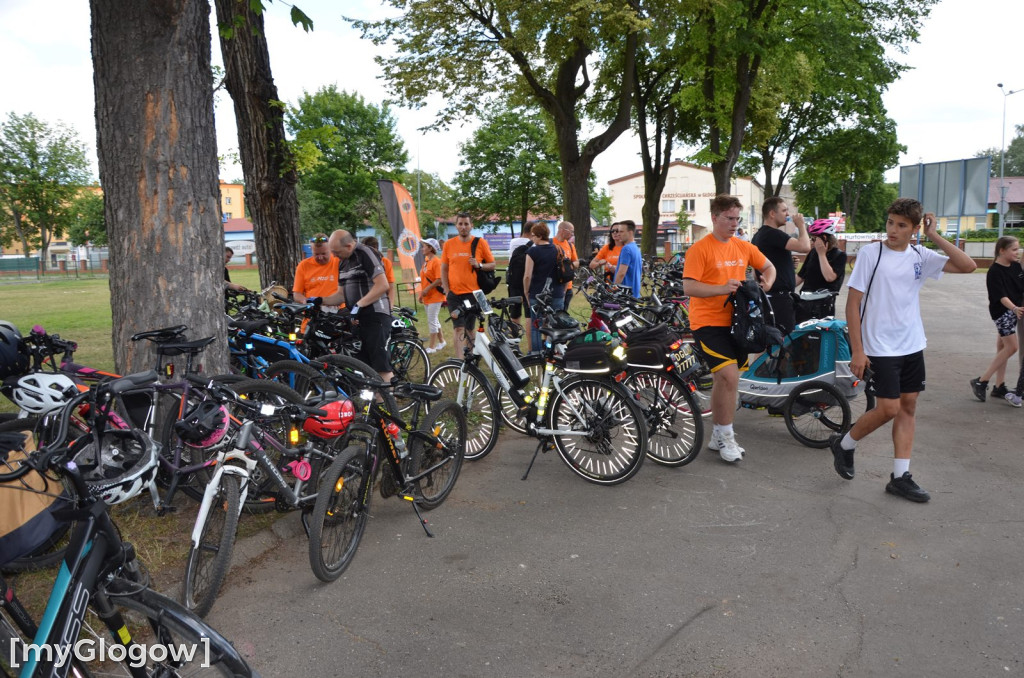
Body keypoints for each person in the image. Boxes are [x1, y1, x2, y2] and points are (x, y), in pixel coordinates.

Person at [829, 199, 977, 502]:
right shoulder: (872, 253)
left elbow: (968, 266)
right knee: (889, 409)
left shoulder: (920, 255)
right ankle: (844, 444)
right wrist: (858, 350)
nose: (892, 230)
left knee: (908, 407)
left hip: (912, 343)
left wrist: (933, 236)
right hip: (879, 347)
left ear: (914, 229)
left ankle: (900, 476)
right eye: (890, 222)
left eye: (901, 225)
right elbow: (853, 303)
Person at [682, 195, 776, 463]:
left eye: (737, 219)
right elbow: (689, 287)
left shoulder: (743, 246)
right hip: (707, 323)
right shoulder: (699, 249)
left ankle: (717, 434)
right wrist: (721, 289)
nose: (734, 224)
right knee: (730, 377)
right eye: (729, 218)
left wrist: (766, 282)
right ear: (714, 217)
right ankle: (727, 437)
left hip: (739, 323)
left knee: (726, 381)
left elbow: (768, 266)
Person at [316, 230, 394, 382]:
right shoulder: (342, 261)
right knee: (365, 367)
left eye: (337, 252)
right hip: (358, 319)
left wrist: (359, 305)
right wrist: (319, 300)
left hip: (376, 315)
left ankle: (388, 404)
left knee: (381, 367)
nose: (334, 256)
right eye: (332, 252)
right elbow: (340, 295)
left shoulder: (365, 253)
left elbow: (382, 285)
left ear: (349, 245)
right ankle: (373, 403)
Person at [969, 236, 1024, 406]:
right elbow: (1001, 296)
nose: (1018, 252)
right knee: (1012, 347)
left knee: (1002, 347)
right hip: (1003, 313)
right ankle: (981, 381)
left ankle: (999, 386)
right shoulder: (994, 271)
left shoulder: (1015, 267)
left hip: (1014, 312)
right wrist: (1014, 308)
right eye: (1014, 249)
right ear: (1002, 251)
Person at [440, 213, 496, 359]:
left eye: (466, 224)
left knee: (470, 329)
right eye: (460, 224)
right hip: (454, 294)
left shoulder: (480, 243)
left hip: (473, 294)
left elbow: (492, 264)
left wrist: (479, 265)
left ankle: (470, 358)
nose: (463, 227)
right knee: (458, 328)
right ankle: (460, 361)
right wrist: (447, 290)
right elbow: (444, 269)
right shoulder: (448, 244)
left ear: (471, 226)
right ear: (456, 225)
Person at [752, 197, 810, 336]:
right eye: (784, 210)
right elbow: (805, 246)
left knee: (769, 342)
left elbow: (760, 268)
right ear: (772, 213)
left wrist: (788, 265)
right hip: (779, 300)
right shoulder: (773, 234)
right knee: (782, 344)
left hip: (770, 298)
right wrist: (801, 226)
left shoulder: (759, 235)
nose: (788, 214)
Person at [522, 221, 564, 352]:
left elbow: (527, 275)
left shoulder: (532, 251)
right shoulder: (558, 249)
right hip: (557, 293)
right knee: (555, 325)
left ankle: (537, 354)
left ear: (539, 236)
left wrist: (526, 291)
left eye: (533, 235)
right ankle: (554, 353)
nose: (532, 238)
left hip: (537, 294)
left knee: (537, 326)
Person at [795, 219, 847, 322]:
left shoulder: (840, 256)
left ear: (824, 238)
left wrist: (822, 254)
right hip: (805, 303)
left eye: (814, 239)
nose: (812, 242)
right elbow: (801, 276)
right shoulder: (813, 253)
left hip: (822, 306)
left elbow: (830, 277)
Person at [292, 234, 340, 311]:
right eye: (316, 254)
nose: (320, 257)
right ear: (311, 250)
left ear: (330, 249)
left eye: (324, 254)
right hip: (314, 311)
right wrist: (306, 302)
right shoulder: (303, 265)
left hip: (338, 310)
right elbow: (297, 294)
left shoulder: (339, 262)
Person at [417, 238, 447, 353]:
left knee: (432, 320)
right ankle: (442, 341)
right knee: (434, 319)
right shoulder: (426, 260)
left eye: (424, 246)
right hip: (427, 296)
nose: (422, 248)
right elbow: (425, 279)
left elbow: (439, 279)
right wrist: (422, 294)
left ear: (430, 248)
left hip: (435, 296)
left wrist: (427, 290)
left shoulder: (436, 262)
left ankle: (432, 347)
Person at [505, 222, 535, 335]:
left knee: (515, 313)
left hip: (514, 282)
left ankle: (514, 340)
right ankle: (531, 341)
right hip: (528, 281)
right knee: (529, 313)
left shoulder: (513, 242)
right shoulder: (533, 245)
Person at [361, 236, 398, 307]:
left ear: (375, 248)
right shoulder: (361, 262)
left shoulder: (385, 262)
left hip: (381, 302)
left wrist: (390, 306)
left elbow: (390, 287)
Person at [613, 220, 643, 297]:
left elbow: (621, 273)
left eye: (621, 232)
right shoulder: (636, 248)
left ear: (630, 233)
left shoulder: (626, 249)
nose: (618, 234)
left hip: (625, 295)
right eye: (618, 231)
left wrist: (613, 289)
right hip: (635, 294)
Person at [553, 220, 579, 307]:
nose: (572, 234)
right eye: (571, 231)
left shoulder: (570, 245)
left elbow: (576, 262)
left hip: (568, 287)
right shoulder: (551, 243)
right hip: (554, 286)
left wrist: (568, 266)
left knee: (563, 314)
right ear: (562, 230)